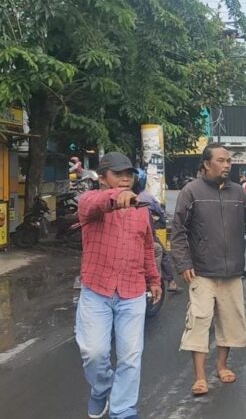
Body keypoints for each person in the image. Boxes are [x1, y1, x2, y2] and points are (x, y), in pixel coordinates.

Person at [171, 143, 246, 396]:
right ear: (206, 164)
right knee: (199, 322)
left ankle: (222, 366)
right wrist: (183, 263)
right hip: (201, 272)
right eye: (221, 160)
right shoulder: (191, 192)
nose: (227, 165)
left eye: (229, 161)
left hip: (233, 272)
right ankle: (200, 377)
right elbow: (178, 231)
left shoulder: (237, 193)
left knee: (230, 322)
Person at [75, 152, 162, 419]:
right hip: (96, 290)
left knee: (130, 357)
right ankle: (101, 390)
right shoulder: (90, 202)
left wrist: (154, 279)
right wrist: (115, 198)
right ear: (102, 178)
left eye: (129, 173)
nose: (126, 178)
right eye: (118, 173)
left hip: (133, 291)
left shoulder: (140, 211)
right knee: (94, 352)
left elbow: (147, 247)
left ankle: (123, 410)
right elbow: (94, 203)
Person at [133, 169, 180, 293]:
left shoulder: (122, 198)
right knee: (161, 252)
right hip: (147, 232)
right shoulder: (146, 197)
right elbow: (159, 211)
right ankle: (168, 282)